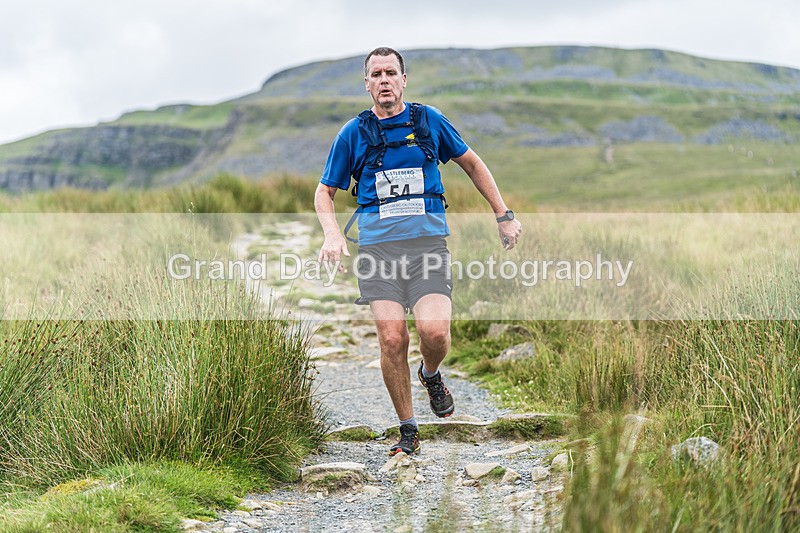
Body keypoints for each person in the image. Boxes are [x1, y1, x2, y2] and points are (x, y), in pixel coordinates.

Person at [314, 46, 522, 456]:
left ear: (404, 80)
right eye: (376, 74)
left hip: (427, 247)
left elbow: (472, 163)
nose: (384, 80)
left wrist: (503, 214)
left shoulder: (429, 121)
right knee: (392, 339)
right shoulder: (352, 133)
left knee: (435, 333)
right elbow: (325, 191)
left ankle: (430, 373)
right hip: (377, 252)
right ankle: (408, 430)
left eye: (391, 73)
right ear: (367, 84)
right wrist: (332, 234)